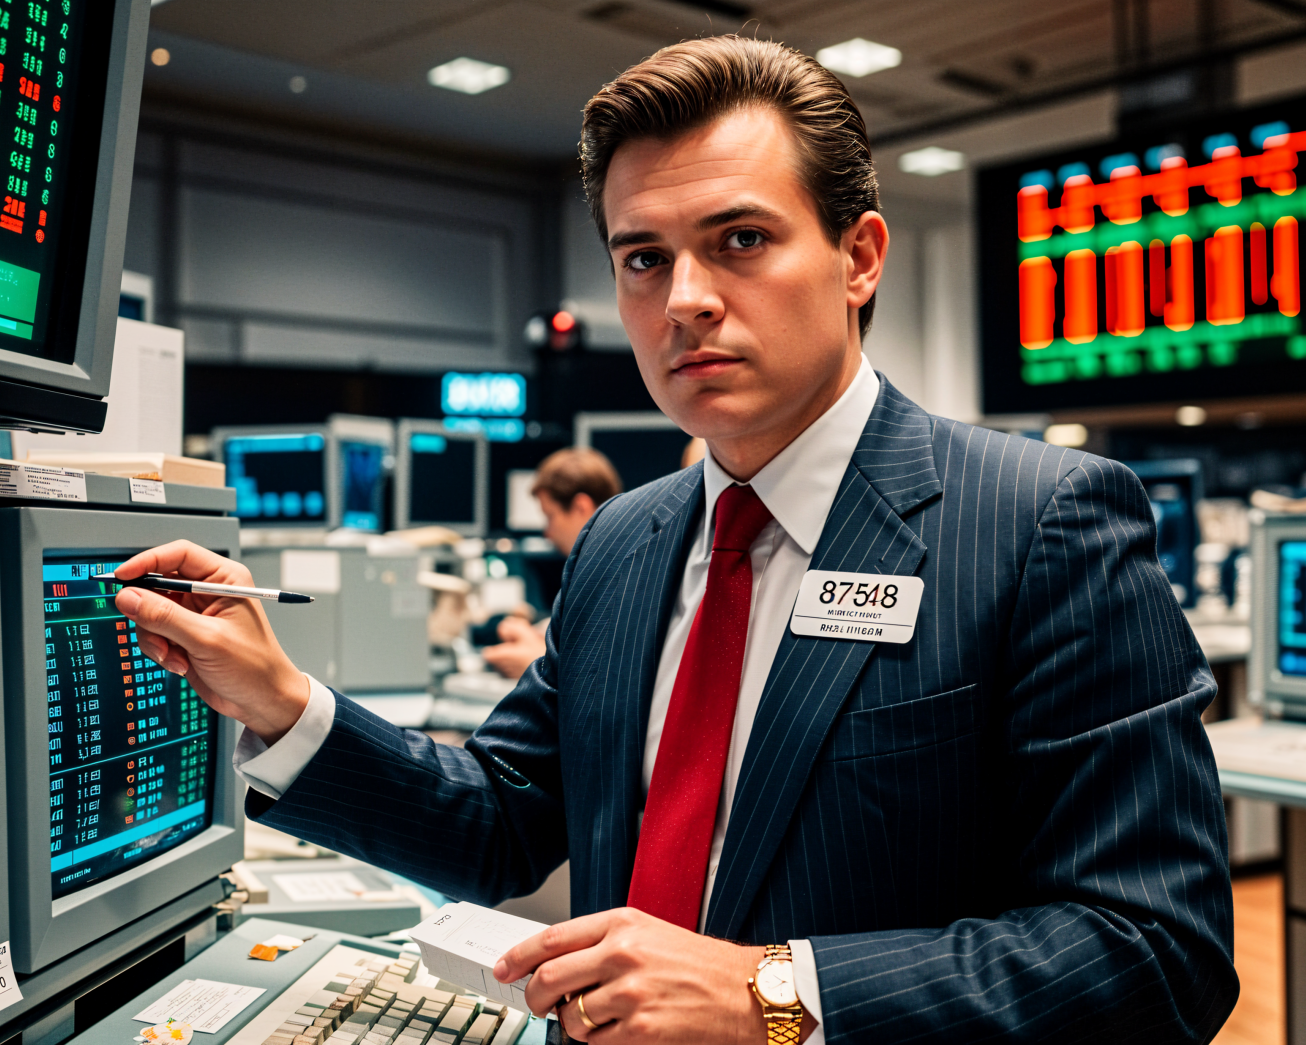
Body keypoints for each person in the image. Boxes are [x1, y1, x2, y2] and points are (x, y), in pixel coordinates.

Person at [113, 36, 1236, 1044]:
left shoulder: (1041, 521)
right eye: (643, 257)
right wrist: (278, 700)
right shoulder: (624, 541)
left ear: (860, 257)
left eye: (740, 238)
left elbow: (1155, 952)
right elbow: (505, 819)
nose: (684, 298)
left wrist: (771, 997)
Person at [482, 447, 622, 679]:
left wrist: (539, 663)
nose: (547, 533)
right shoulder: (598, 571)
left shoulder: (622, 579)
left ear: (581, 508)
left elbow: (612, 679)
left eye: (550, 516)